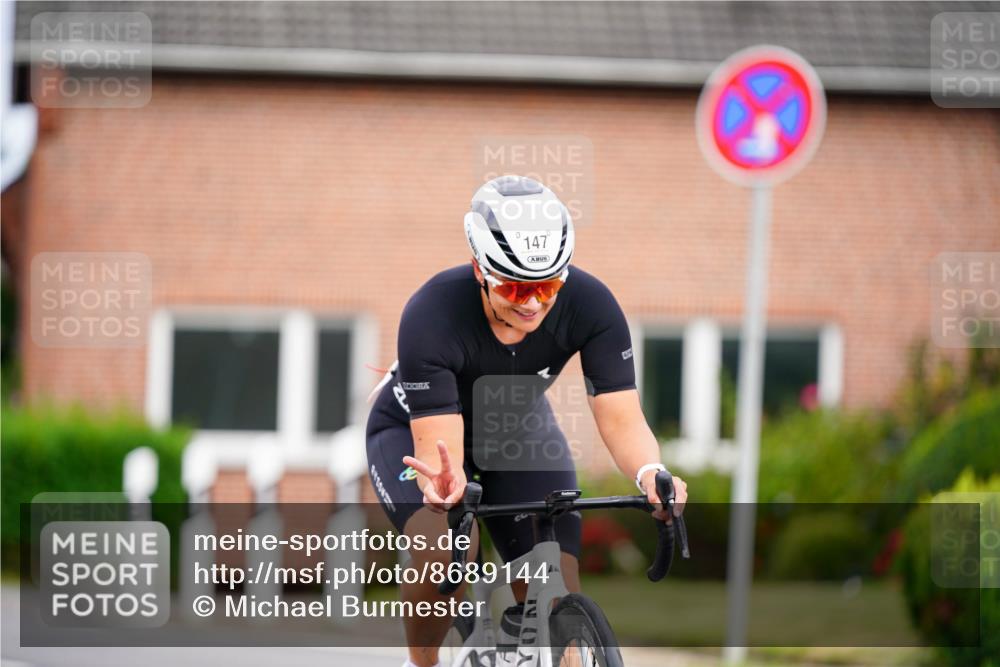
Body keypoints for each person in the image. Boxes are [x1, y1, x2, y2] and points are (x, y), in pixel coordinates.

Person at [365, 175, 688, 667]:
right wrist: (444, 491)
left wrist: (650, 473)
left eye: (548, 286)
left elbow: (621, 416)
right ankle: (421, 662)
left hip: (516, 429)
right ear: (480, 268)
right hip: (416, 434)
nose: (533, 302)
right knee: (443, 550)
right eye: (515, 286)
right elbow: (439, 445)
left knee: (554, 586)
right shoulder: (432, 313)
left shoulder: (591, 304)